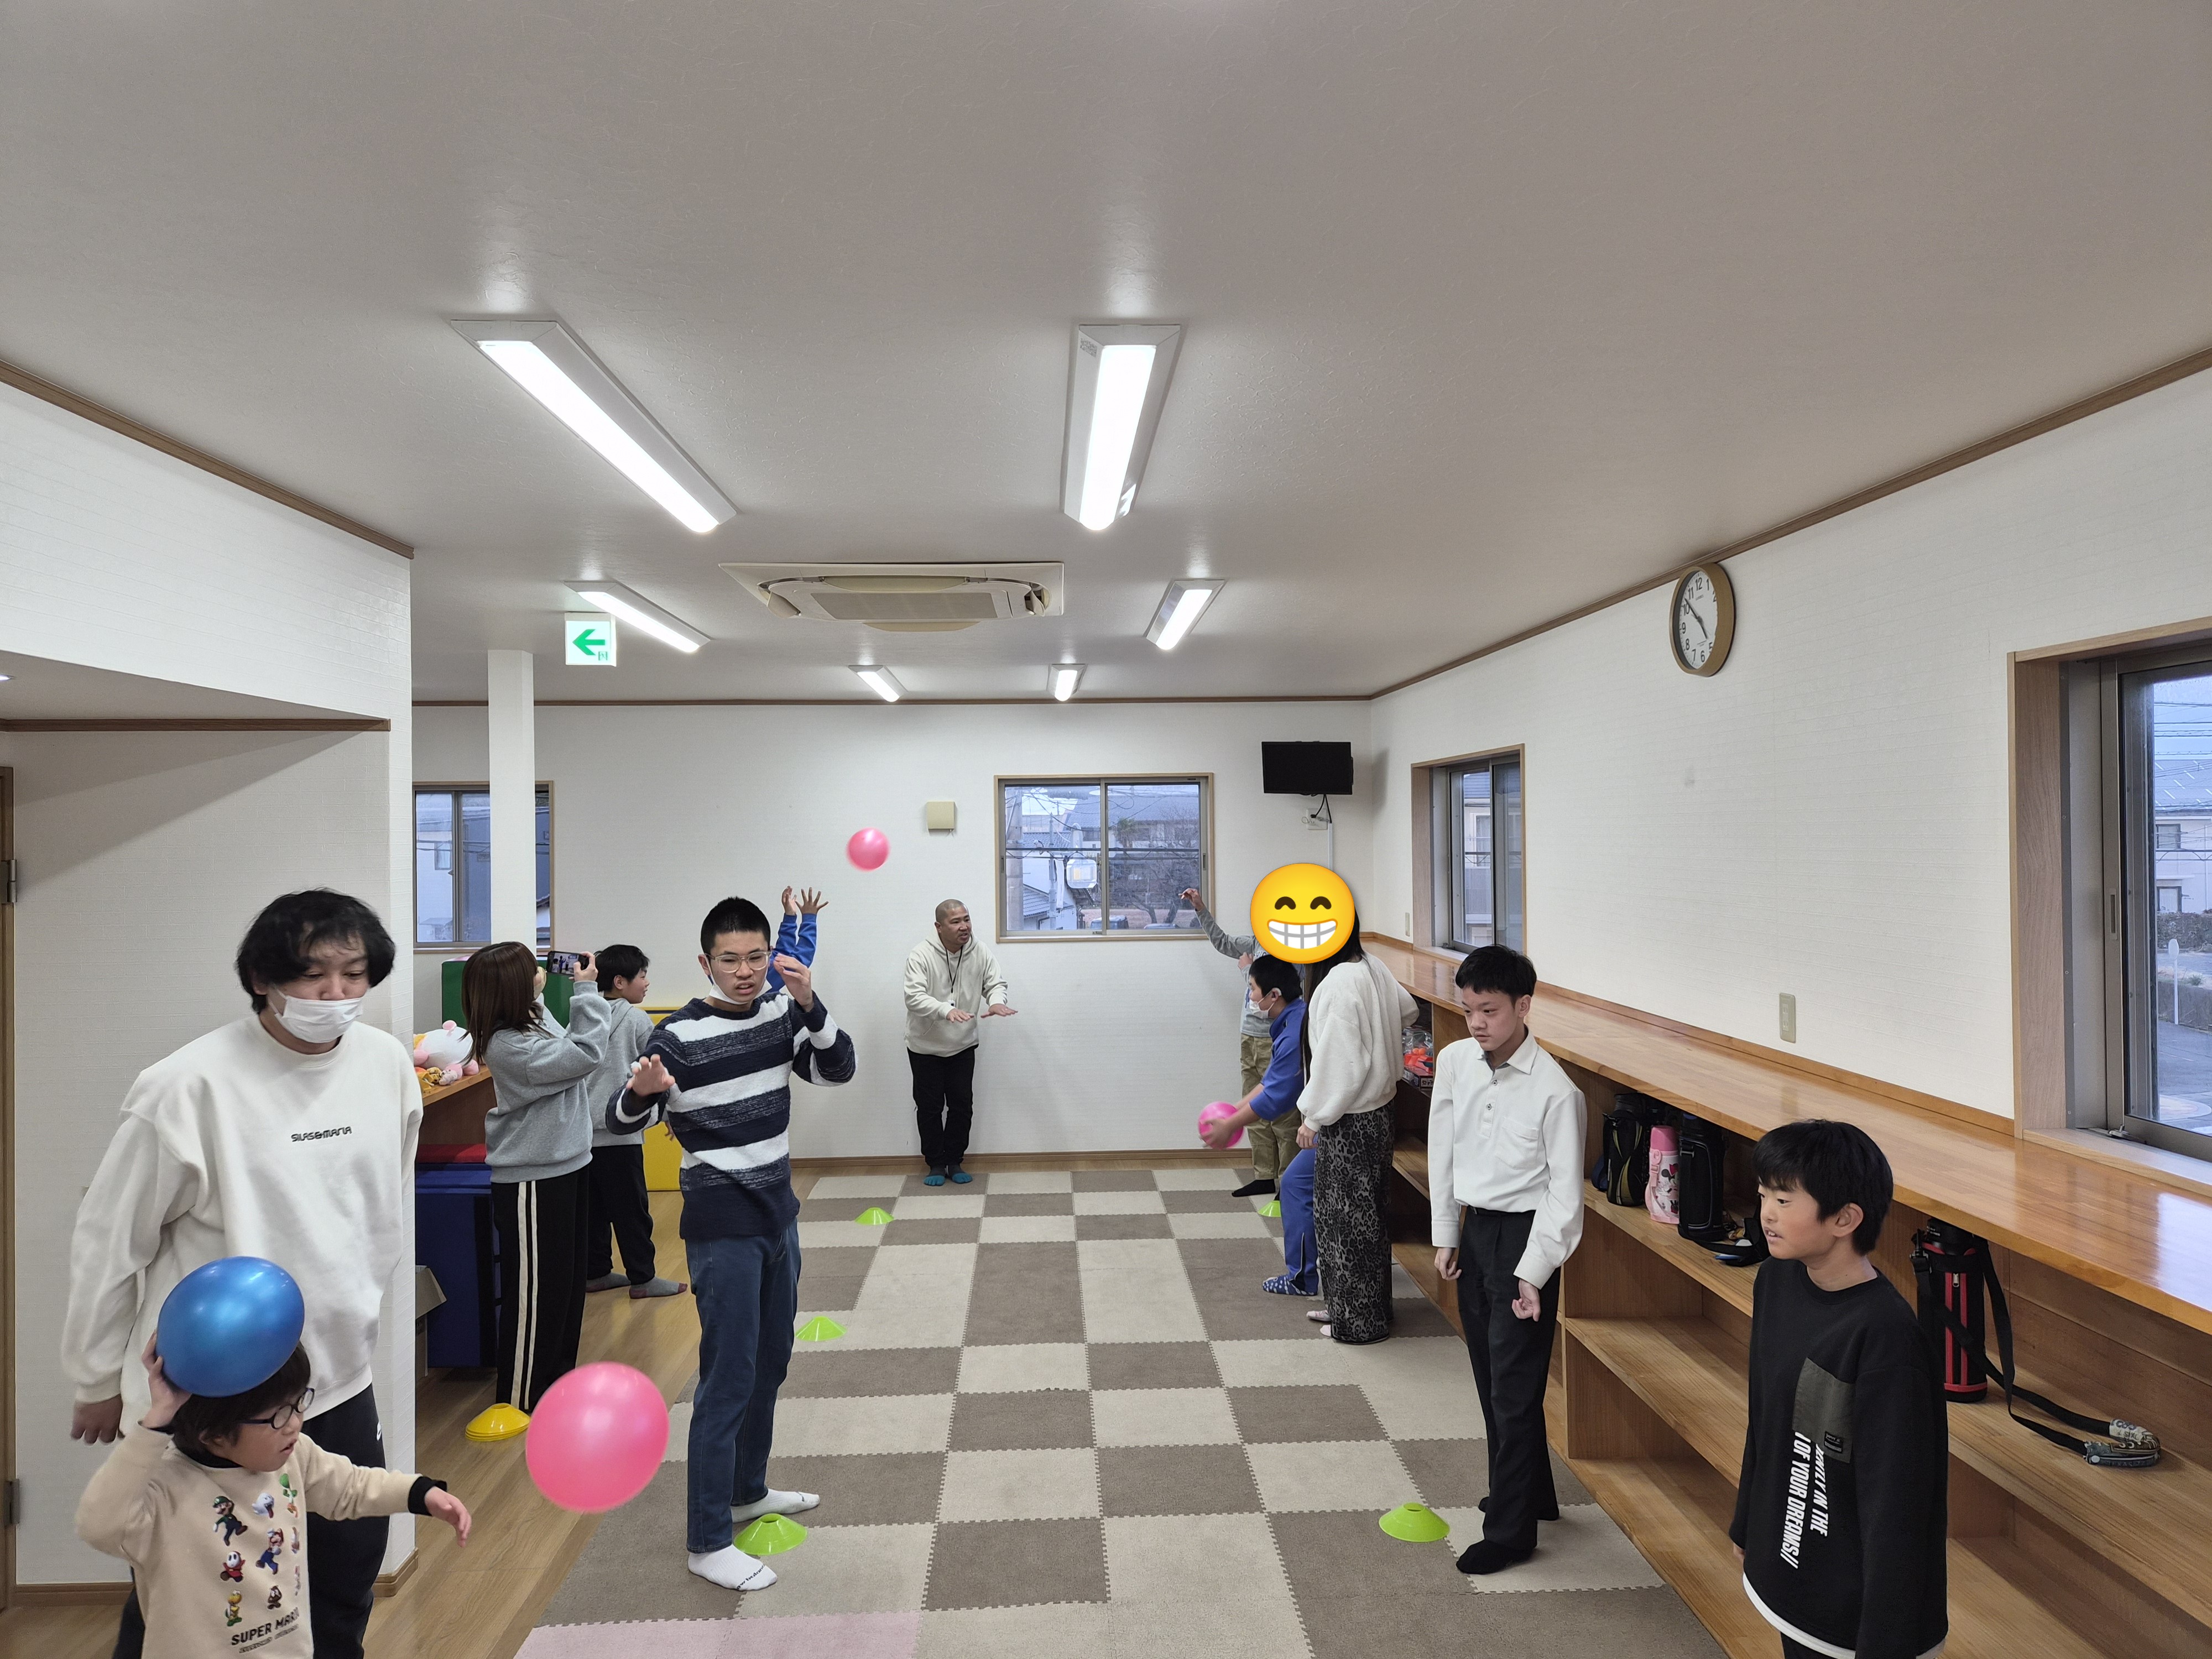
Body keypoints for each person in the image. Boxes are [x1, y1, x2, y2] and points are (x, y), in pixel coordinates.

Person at [62, 890, 420, 1659]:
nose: (336, 994)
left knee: (346, 1571)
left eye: (355, 974)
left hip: (338, 1375)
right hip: (215, 1394)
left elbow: (381, 1202)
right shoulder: (186, 1086)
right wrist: (95, 1376)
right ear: (262, 978)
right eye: (313, 976)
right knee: (203, 1590)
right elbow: (110, 1242)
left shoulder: (387, 1064)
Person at [609, 896, 856, 1594]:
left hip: (779, 1215)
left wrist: (809, 1004)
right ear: (705, 963)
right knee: (727, 1379)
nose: (744, 972)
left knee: (771, 1362)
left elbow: (838, 1069)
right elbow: (621, 1120)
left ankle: (748, 1490)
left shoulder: (781, 1012)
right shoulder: (678, 1037)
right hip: (722, 1228)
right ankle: (708, 1539)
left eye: (754, 958)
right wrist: (642, 1093)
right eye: (729, 960)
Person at [77, 1335, 470, 1659]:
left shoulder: (294, 1457)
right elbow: (98, 1524)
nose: (295, 1423)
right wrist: (153, 1425)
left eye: (298, 1403)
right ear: (215, 1434)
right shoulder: (164, 1489)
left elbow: (352, 1486)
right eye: (277, 1416)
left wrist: (419, 1493)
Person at [1730, 1120, 1947, 1659]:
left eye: (1784, 1200)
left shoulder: (1885, 1339)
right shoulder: (1776, 1280)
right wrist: (1748, 1525)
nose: (1766, 1213)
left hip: (1857, 1614)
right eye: (1763, 1195)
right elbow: (1766, 1420)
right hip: (1789, 1570)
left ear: (1845, 1219)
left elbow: (1898, 1505)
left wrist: (1885, 1642)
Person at [1428, 944, 1585, 1574]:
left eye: (1489, 1011)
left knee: (1515, 1389)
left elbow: (1565, 1198)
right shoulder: (1454, 1062)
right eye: (1468, 1010)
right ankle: (1532, 1493)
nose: (1476, 1023)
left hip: (1527, 1239)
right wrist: (1446, 1231)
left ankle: (1512, 1532)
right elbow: (1443, 1149)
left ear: (1523, 1006)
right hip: (1475, 1231)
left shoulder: (1556, 1091)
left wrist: (1533, 1272)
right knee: (1490, 1375)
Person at [465, 943, 613, 1415]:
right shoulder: (508, 1044)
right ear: (514, 986)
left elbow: (571, 1048)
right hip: (531, 1179)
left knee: (565, 1289)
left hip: (569, 1163)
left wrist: (552, 993)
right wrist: (586, 990)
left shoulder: (531, 1020)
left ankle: (556, 1385)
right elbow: (586, 1053)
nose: (541, 973)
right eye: (531, 970)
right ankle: (521, 1400)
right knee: (536, 1295)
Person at [1295, 912, 1415, 1344]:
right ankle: (1363, 1310)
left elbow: (1340, 1063)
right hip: (1380, 1113)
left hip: (1351, 1119)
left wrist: (1313, 1117)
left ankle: (1357, 1323)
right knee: (1368, 1218)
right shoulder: (1371, 965)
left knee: (1344, 1222)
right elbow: (1409, 1009)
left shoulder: (1340, 983)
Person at [1198, 956, 1314, 1293]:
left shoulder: (1295, 1031)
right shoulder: (1291, 1020)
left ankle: (1302, 1278)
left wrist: (1229, 1125)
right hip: (1328, 1121)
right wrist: (1233, 1112)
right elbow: (1268, 1083)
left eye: (1252, 989)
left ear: (1274, 995)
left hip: (1338, 1126)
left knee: (1294, 1185)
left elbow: (1276, 1097)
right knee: (1297, 1185)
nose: (1250, 997)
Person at [582, 945, 685, 1299]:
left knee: (594, 1210)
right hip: (620, 1133)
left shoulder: (584, 1016)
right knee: (632, 1211)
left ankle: (596, 1272)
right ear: (620, 982)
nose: (647, 983)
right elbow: (656, 1073)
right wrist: (670, 1114)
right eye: (642, 976)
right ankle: (643, 1278)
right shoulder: (637, 1020)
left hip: (583, 1134)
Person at [1178, 886, 1291, 1198]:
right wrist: (1200, 908)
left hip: (1274, 1038)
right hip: (1248, 1035)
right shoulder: (1255, 942)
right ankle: (1264, 1176)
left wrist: (1246, 970)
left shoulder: (1290, 951)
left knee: (1282, 1114)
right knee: (1252, 1107)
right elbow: (1223, 942)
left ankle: (1288, 1183)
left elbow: (1274, 992)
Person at [902, 899, 1014, 1186]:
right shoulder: (921, 955)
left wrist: (997, 1001)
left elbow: (995, 983)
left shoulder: (980, 951)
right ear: (939, 927)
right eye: (956, 922)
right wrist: (945, 1010)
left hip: (963, 1044)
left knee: (962, 1106)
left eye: (967, 919)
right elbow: (913, 997)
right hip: (925, 1047)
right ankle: (935, 1164)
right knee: (929, 1108)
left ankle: (955, 1161)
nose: (964, 927)